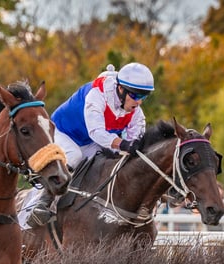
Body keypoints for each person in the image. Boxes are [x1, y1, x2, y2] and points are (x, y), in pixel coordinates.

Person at [24, 62, 154, 227]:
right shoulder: (97, 95)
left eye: (144, 97)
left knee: (106, 164)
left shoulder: (136, 113)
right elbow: (96, 132)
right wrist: (123, 144)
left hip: (89, 141)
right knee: (74, 156)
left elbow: (136, 142)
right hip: (62, 131)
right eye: (135, 96)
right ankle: (42, 202)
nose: (139, 102)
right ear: (121, 89)